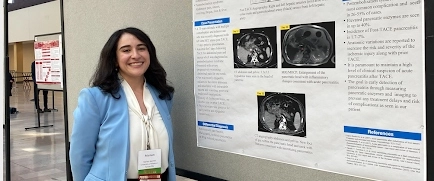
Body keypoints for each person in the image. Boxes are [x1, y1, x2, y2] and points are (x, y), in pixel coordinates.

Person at [70, 27, 175, 181]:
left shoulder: (163, 95)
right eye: (126, 50)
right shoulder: (95, 98)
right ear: (114, 59)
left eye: (141, 48)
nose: (135, 55)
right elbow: (80, 155)